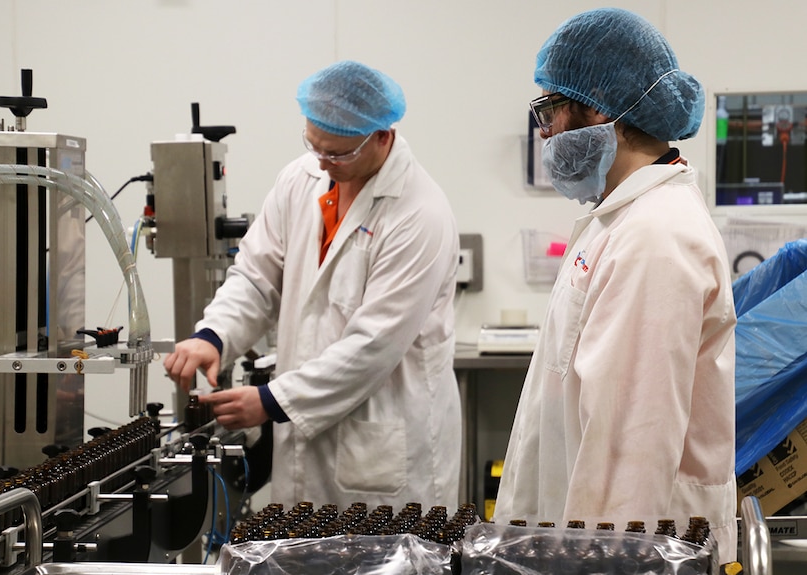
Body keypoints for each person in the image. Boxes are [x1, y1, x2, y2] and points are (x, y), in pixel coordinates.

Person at [493, 7, 738, 563]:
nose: (545, 130)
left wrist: (599, 560)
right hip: (585, 536)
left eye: (550, 108)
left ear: (599, 107)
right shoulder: (621, 218)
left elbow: (631, 445)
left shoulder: (655, 237)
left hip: (622, 550)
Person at [163, 60, 462, 511]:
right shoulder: (301, 179)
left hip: (383, 443)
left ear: (383, 136)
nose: (322, 162)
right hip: (305, 435)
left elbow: (373, 345)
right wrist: (214, 336)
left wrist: (271, 400)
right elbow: (257, 275)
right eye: (313, 144)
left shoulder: (420, 213)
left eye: (338, 153)